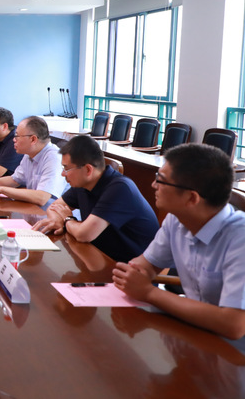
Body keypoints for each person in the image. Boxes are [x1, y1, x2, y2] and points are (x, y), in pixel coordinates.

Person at [113, 144, 245, 340]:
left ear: (192, 198)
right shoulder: (176, 220)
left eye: (161, 180)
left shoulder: (240, 237)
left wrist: (148, 293)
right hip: (195, 332)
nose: (153, 185)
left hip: (233, 348)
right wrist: (134, 275)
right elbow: (145, 266)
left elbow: (233, 325)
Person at [32, 134, 158, 263]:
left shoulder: (120, 188)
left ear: (88, 169)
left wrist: (67, 220)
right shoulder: (83, 183)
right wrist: (59, 221)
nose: (63, 174)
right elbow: (54, 207)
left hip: (131, 266)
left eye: (66, 168)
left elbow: (84, 235)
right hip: (100, 256)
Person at [0, 116, 67, 206]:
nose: (14, 140)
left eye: (17, 136)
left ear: (33, 139)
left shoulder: (54, 157)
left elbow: (42, 197)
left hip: (51, 213)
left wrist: (1, 190)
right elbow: (14, 180)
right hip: (34, 209)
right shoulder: (29, 154)